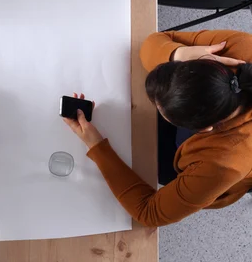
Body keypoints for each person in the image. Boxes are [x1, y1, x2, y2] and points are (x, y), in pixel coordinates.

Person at [64, 29, 252, 226]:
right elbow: (154, 40)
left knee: (153, 167)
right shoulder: (242, 47)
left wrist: (97, 147)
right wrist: (178, 54)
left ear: (202, 129)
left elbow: (150, 213)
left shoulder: (222, 166)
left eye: (161, 110)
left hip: (205, 166)